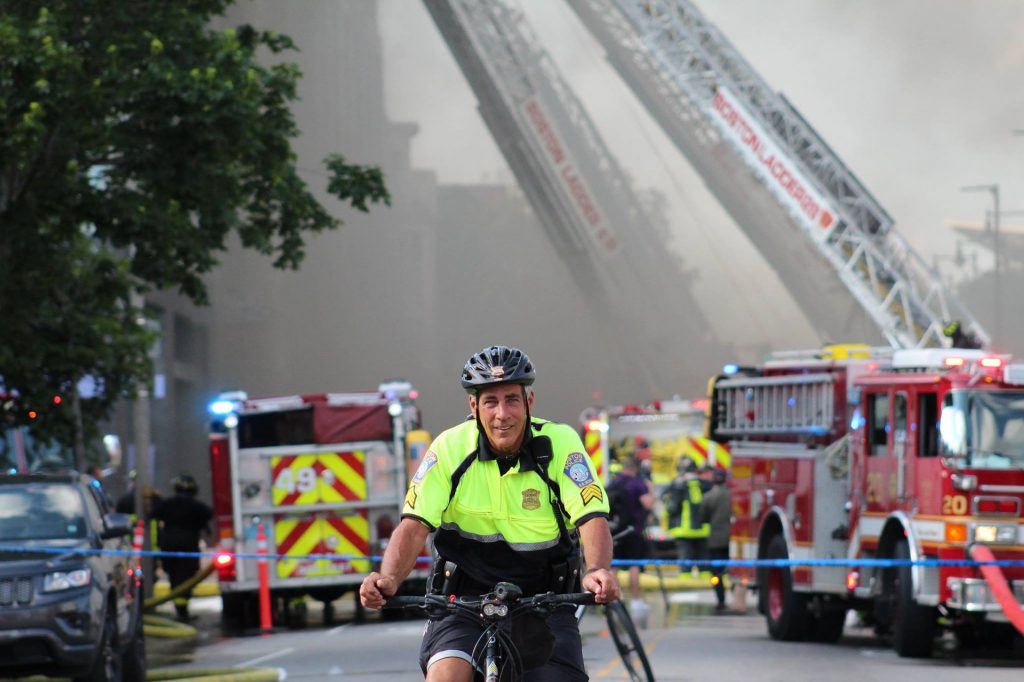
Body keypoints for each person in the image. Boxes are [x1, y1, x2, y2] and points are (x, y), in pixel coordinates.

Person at [360, 345, 620, 682]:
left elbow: (591, 517)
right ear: (474, 406)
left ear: (529, 402)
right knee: (446, 676)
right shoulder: (450, 447)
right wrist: (389, 578)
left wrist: (597, 570)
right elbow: (414, 524)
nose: (502, 414)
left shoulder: (559, 442)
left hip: (545, 599)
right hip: (462, 599)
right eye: (490, 402)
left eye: (512, 399)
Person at [152, 472, 212, 621]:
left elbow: (153, 514)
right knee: (187, 578)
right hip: (188, 546)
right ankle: (183, 612)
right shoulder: (197, 506)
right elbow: (209, 514)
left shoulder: (167, 504)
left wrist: (155, 500)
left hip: (169, 546)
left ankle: (180, 611)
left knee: (175, 577)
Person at [606, 457, 654, 623]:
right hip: (634, 531)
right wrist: (651, 490)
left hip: (614, 531)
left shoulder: (613, 483)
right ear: (635, 469)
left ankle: (615, 599)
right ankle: (635, 600)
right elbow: (647, 504)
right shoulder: (637, 483)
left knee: (614, 566)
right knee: (635, 565)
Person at [662, 457, 709, 578]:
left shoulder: (678, 485)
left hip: (683, 528)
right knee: (702, 555)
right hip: (702, 528)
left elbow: (672, 507)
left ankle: (686, 578)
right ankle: (704, 579)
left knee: (685, 555)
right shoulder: (704, 484)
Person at [701, 468, 732, 612]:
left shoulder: (708, 497)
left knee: (716, 573)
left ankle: (721, 601)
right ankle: (738, 598)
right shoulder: (732, 495)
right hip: (732, 540)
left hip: (715, 541)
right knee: (733, 570)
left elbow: (703, 518)